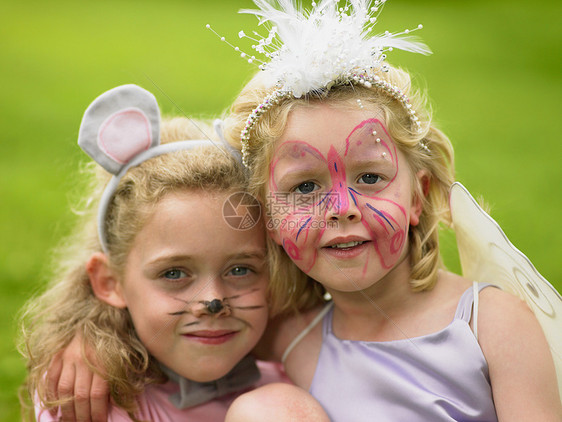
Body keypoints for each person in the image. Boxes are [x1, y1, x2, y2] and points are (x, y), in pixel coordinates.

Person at [42, 1, 562, 420]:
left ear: (419, 194)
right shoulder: (290, 333)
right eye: (305, 186)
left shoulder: (487, 319)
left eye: (370, 178)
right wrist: (88, 341)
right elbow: (161, 311)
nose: (341, 208)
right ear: (267, 219)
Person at [18, 84, 329, 421]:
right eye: (174, 273)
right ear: (110, 282)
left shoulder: (297, 369)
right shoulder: (93, 397)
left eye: (240, 270)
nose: (213, 303)